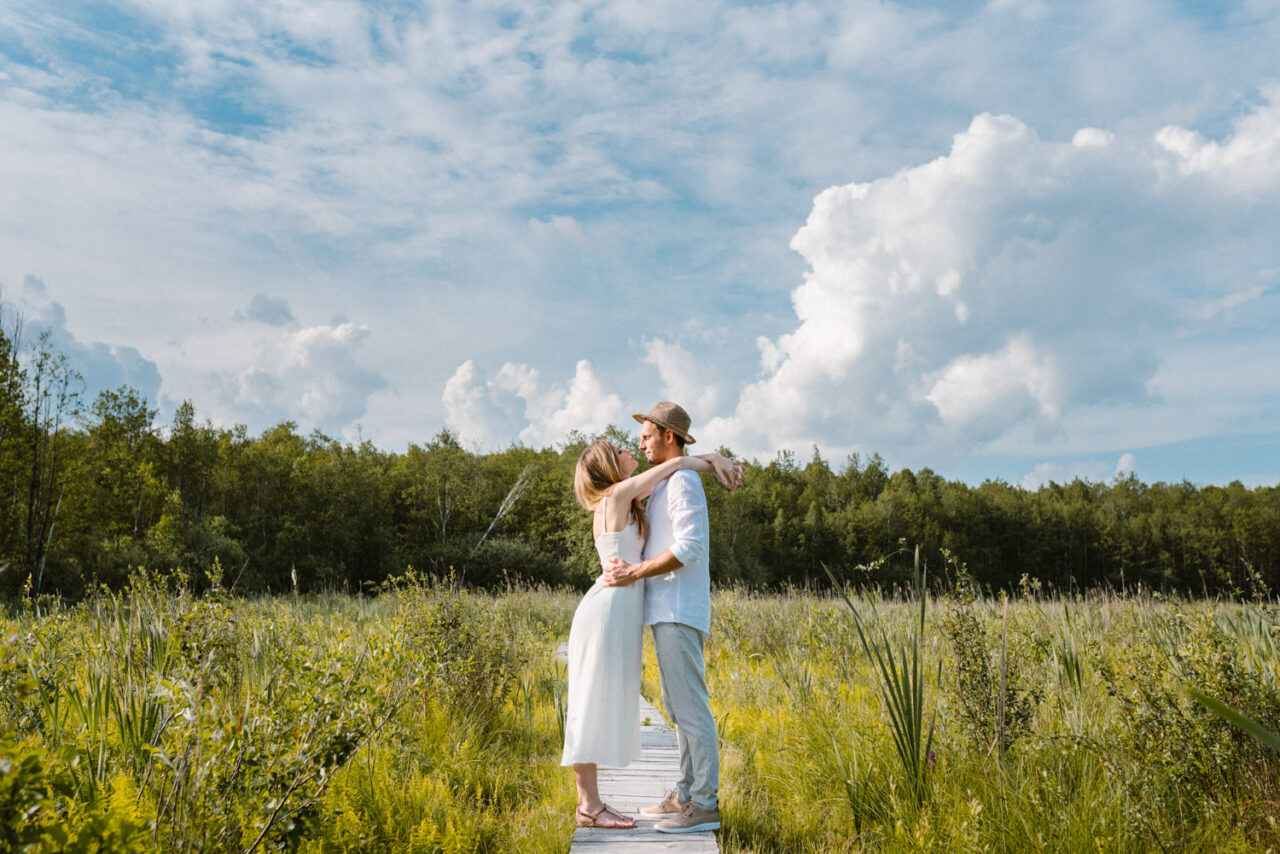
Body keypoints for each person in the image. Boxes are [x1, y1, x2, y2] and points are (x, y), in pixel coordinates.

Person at [562, 437, 740, 829]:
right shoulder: (616, 494)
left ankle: (595, 803)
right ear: (610, 464)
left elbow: (674, 466)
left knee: (598, 701)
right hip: (606, 612)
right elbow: (673, 465)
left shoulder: (626, 497)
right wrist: (711, 460)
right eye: (622, 450)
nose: (632, 451)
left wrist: (716, 460)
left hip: (621, 613)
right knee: (588, 702)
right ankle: (588, 805)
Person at [602, 402, 723, 834]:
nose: (641, 443)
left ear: (668, 436)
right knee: (677, 706)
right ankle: (686, 794)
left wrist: (635, 571)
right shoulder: (667, 482)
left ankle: (704, 804)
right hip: (666, 611)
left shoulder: (684, 482)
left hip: (679, 610)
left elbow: (689, 547)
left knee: (691, 709)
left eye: (647, 436)